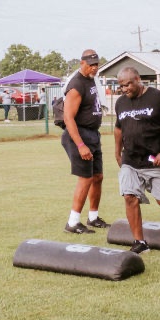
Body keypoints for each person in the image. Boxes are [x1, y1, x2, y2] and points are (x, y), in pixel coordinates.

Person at [113, 66, 160, 254]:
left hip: (156, 160)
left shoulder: (157, 98)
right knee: (129, 197)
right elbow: (118, 129)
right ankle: (140, 242)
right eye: (121, 86)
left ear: (138, 79)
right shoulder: (121, 103)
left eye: (128, 84)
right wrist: (117, 152)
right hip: (131, 160)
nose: (124, 89)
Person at [61, 49, 110, 234]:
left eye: (96, 64)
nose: (94, 68)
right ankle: (73, 222)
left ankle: (93, 217)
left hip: (92, 134)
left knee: (98, 177)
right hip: (79, 136)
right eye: (90, 64)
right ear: (81, 63)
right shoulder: (76, 85)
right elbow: (68, 118)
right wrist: (81, 145)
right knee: (86, 178)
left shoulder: (91, 80)